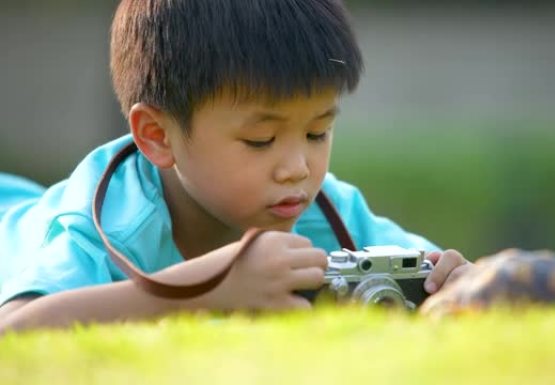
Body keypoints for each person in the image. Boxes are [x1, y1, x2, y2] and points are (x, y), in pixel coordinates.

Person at [0, 0, 469, 333]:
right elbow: (16, 331)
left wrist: (460, 279)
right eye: (260, 139)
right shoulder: (100, 225)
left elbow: (439, 275)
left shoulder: (324, 210)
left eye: (316, 133)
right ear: (158, 136)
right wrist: (206, 288)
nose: (297, 169)